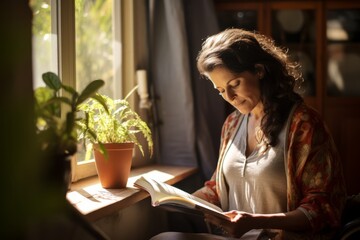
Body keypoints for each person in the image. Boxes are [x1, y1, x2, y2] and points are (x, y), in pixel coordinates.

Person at [150, 28, 347, 240]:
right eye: (221, 91)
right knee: (162, 238)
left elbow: (323, 208)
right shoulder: (232, 124)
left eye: (234, 84)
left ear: (259, 70)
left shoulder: (304, 124)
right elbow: (219, 187)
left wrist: (255, 221)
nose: (230, 97)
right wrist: (178, 200)